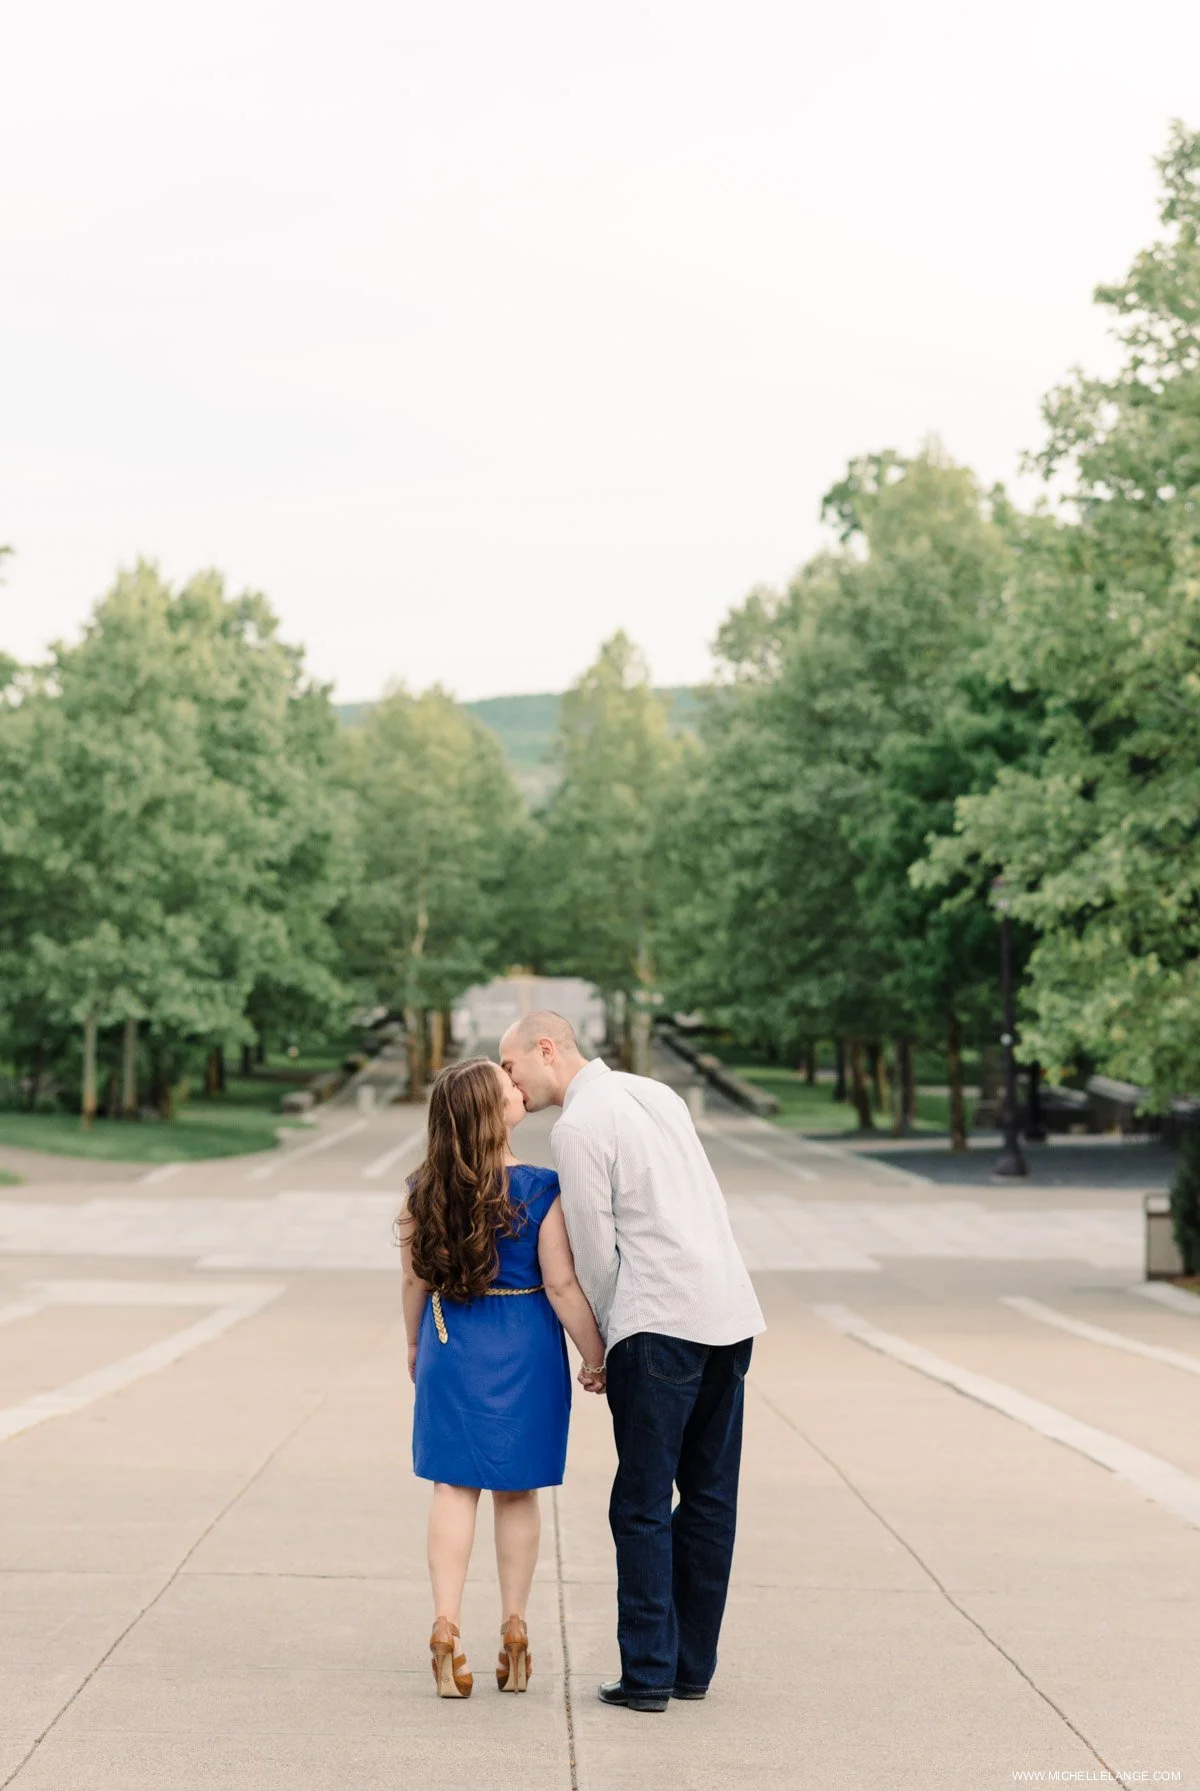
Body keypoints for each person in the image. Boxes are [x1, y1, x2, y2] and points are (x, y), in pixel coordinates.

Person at [499, 1012, 766, 1715]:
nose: (509, 1081)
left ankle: (647, 1673)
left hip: (659, 1322)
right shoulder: (657, 1094)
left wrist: (609, 1344)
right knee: (709, 1498)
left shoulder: (578, 1126)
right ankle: (690, 1668)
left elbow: (595, 1250)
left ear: (546, 1049)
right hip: (728, 1312)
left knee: (640, 1503)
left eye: (511, 1065)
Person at [398, 1055, 608, 1699]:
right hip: (523, 1346)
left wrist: (412, 1346)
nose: (519, 1089)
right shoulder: (541, 1187)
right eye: (508, 1087)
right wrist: (596, 1355)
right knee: (517, 1494)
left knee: (453, 1488)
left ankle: (444, 1627)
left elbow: (413, 1278)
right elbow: (563, 1284)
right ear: (495, 1114)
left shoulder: (422, 1188)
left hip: (448, 1341)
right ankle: (515, 1632)